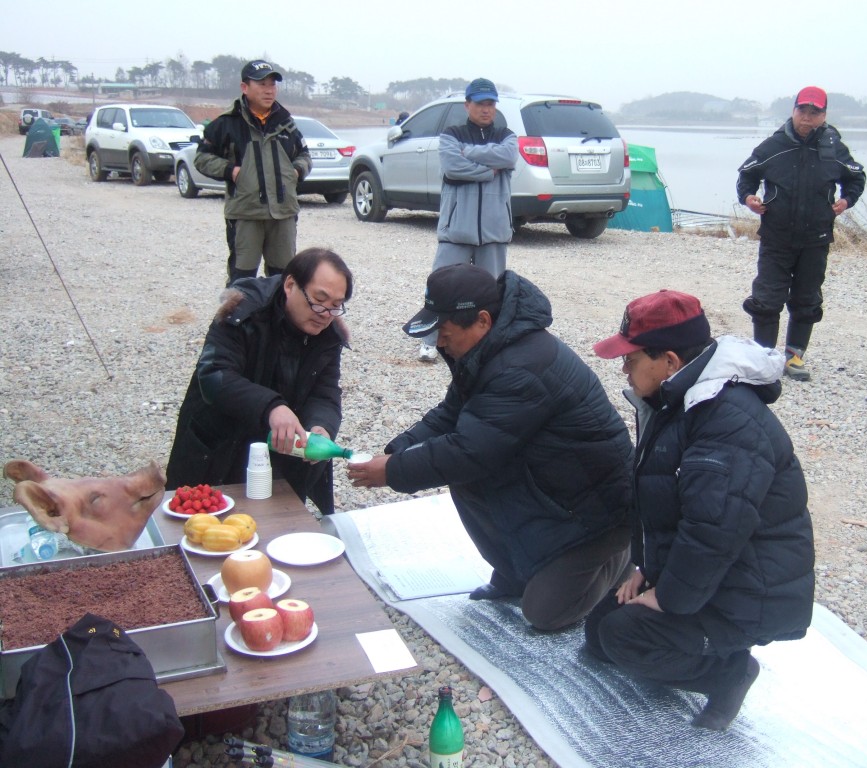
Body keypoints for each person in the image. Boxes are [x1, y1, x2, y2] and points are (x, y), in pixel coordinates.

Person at [348, 263, 633, 631]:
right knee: (468, 479)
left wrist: (392, 472)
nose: (439, 343)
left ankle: (622, 558)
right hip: (554, 487)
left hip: (600, 513)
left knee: (545, 614)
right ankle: (518, 572)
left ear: (482, 320)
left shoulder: (520, 367)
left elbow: (469, 452)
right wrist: (397, 451)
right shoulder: (488, 349)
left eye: (445, 333)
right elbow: (451, 413)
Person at [585, 290, 815, 731]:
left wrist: (667, 596)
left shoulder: (725, 421)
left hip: (748, 592)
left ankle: (730, 672)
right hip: (716, 574)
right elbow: (667, 504)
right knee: (599, 632)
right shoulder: (679, 398)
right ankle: (701, 640)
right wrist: (647, 570)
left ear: (670, 361)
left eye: (631, 358)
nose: (624, 368)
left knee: (622, 637)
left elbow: (714, 532)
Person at [166, 247, 352, 516]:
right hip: (220, 445)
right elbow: (215, 375)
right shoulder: (243, 309)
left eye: (336, 305)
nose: (325, 313)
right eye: (319, 300)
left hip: (281, 454)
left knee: (274, 526)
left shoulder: (329, 332)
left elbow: (325, 393)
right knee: (202, 526)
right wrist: (272, 407)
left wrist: (321, 426)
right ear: (290, 285)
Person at [736, 85, 865, 381]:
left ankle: (794, 357)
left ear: (824, 115)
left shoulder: (834, 148)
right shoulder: (774, 145)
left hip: (816, 239)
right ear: (793, 111)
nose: (807, 117)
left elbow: (856, 177)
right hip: (776, 237)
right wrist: (748, 198)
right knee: (767, 299)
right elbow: (747, 175)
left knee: (807, 299)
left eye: (814, 112)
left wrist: (846, 200)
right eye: (802, 110)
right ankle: (765, 358)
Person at [417, 77, 518, 362]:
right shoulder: (452, 134)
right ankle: (430, 340)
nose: (486, 109)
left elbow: (509, 156)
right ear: (467, 105)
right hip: (456, 229)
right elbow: (453, 167)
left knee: (492, 291)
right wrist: (488, 171)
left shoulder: (506, 135)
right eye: (480, 103)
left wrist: (470, 153)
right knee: (441, 286)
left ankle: (489, 343)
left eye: (491, 104)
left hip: (494, 230)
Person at [195, 60, 311, 287]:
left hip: (283, 213)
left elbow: (305, 155)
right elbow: (202, 158)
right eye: (262, 84)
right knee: (242, 280)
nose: (269, 90)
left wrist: (296, 172)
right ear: (245, 87)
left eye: (272, 84)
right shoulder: (226, 123)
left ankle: (277, 312)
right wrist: (231, 171)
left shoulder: (286, 123)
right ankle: (239, 312)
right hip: (245, 213)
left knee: (284, 280)